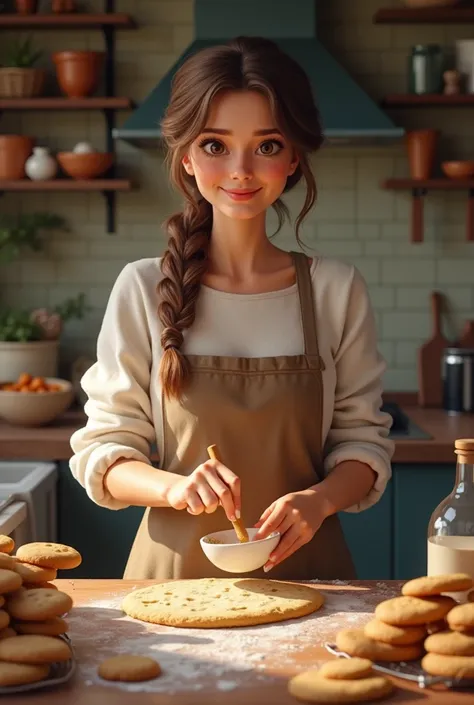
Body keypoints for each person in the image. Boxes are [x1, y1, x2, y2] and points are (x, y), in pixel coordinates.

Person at [70, 36, 394, 581]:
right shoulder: (142, 287)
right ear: (188, 157)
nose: (241, 170)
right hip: (168, 584)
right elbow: (104, 451)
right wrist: (174, 487)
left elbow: (363, 445)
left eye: (266, 145)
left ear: (293, 156)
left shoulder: (336, 289)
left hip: (310, 579)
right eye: (216, 145)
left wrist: (318, 502)